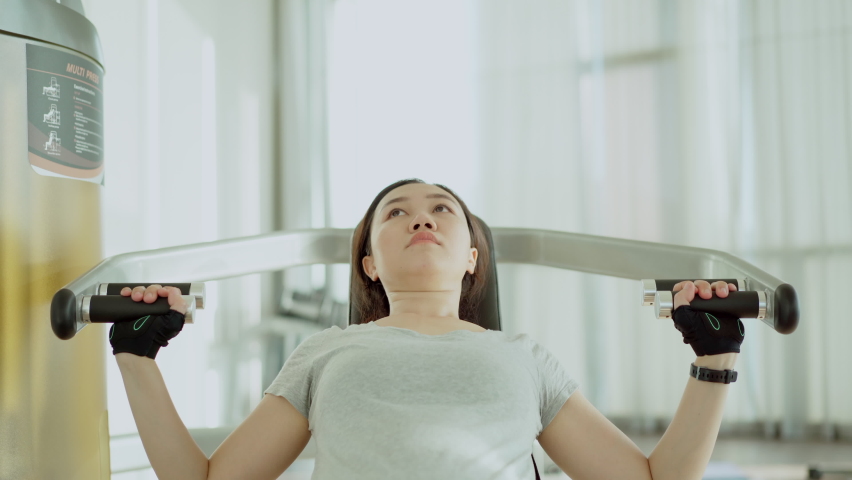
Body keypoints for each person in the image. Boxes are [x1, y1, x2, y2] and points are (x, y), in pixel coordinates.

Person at [112, 178, 744, 480]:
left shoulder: (523, 357)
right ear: (369, 262)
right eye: (397, 213)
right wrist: (138, 356)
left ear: (472, 257)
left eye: (443, 210)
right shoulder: (327, 351)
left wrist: (713, 357)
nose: (423, 219)